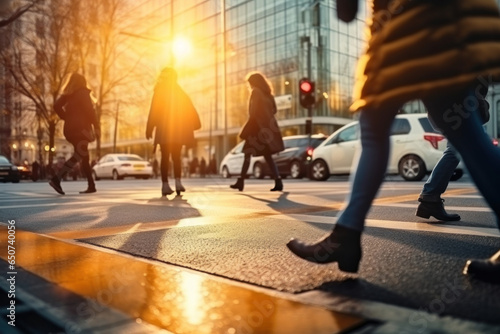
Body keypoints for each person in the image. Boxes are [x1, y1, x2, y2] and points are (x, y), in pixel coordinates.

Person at [287, 0, 500, 281]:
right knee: (467, 136)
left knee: (374, 130)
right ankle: (347, 233)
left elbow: (346, 12)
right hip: (447, 28)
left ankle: (347, 235)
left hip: (401, 33)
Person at [416, 86, 491, 222]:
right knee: (468, 149)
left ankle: (430, 197)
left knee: (459, 149)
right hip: (460, 106)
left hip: (455, 105)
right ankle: (430, 196)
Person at [146, 67, 201, 196]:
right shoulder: (178, 90)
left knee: (166, 157)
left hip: (165, 131)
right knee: (176, 157)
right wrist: (195, 123)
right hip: (176, 131)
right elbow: (189, 108)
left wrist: (150, 128)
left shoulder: (159, 90)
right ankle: (177, 182)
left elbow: (153, 111)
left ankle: (165, 185)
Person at [230, 72, 284, 192]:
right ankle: (278, 181)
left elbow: (252, 113)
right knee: (268, 156)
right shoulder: (269, 95)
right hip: (267, 129)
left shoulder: (255, 92)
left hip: (256, 129)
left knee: (247, 155)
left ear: (254, 83)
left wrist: (246, 129)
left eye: (250, 83)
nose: (249, 86)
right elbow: (274, 110)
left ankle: (241, 182)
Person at [49, 72, 99, 195]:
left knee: (84, 156)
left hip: (69, 130)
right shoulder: (83, 92)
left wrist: (66, 117)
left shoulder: (68, 94)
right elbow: (90, 111)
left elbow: (56, 106)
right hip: (81, 130)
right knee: (78, 155)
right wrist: (97, 127)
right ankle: (57, 179)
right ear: (83, 82)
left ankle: (91, 185)